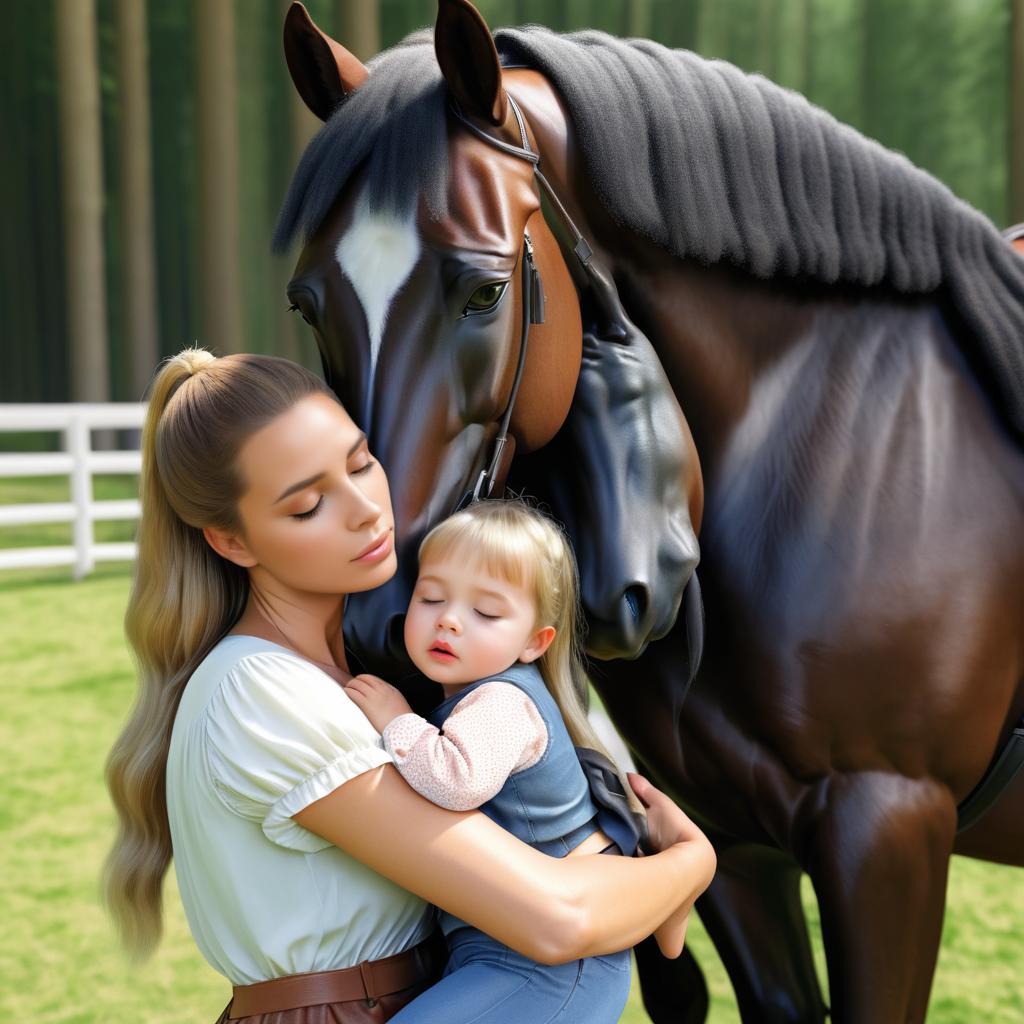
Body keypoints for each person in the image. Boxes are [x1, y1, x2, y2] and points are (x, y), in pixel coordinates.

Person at [103, 348, 717, 1024]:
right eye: (308, 505)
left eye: (362, 462)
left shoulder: (365, 674)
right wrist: (691, 862)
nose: (366, 509)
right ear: (232, 542)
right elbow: (556, 919)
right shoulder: (261, 693)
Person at [343, 499, 657, 1022]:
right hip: (511, 949)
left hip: (547, 963)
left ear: (536, 642)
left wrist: (396, 720)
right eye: (431, 597)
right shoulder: (475, 696)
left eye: (485, 612)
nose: (448, 620)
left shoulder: (504, 702)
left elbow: (456, 780)